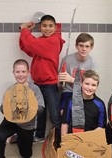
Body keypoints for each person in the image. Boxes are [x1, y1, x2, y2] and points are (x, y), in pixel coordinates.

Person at [19, 14, 65, 145]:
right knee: (40, 112)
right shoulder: (41, 42)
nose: (47, 28)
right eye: (44, 26)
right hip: (38, 84)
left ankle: (59, 140)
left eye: (51, 26)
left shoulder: (54, 41)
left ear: (56, 27)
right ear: (40, 27)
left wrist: (24, 30)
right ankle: (39, 136)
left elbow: (32, 43)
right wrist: (26, 32)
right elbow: (27, 47)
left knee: (54, 114)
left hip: (50, 84)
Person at [0, 59, 45, 158]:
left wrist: (30, 104)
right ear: (13, 73)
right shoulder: (10, 90)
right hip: (11, 121)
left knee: (26, 154)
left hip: (27, 125)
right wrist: (5, 107)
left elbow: (41, 109)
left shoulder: (35, 89)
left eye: (23, 72)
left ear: (28, 73)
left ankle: (18, 138)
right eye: (17, 72)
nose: (20, 74)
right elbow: (2, 109)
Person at [58, 33, 96, 114]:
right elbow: (61, 86)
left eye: (87, 46)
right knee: (64, 113)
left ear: (91, 47)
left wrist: (71, 79)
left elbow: (91, 84)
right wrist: (60, 81)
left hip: (84, 93)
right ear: (76, 46)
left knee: (84, 114)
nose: (84, 49)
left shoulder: (92, 63)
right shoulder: (66, 60)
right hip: (68, 92)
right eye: (81, 46)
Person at [61, 70, 106, 135]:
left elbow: (101, 127)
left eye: (93, 85)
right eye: (87, 84)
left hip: (92, 140)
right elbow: (65, 123)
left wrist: (86, 139)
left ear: (97, 86)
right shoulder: (71, 101)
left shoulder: (100, 104)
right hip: (74, 140)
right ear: (81, 83)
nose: (90, 88)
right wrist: (64, 141)